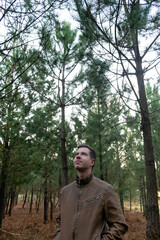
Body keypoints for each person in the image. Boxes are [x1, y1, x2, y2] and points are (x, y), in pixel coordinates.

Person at [54, 144, 128, 240]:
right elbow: (60, 221)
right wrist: (58, 237)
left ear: (92, 162)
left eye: (83, 154)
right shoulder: (65, 191)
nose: (78, 156)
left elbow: (119, 224)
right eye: (76, 154)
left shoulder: (105, 190)